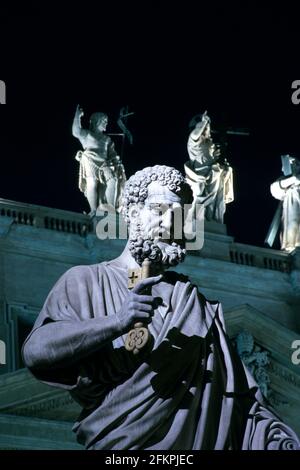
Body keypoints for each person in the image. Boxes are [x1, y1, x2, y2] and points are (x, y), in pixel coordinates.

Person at [22, 165, 299, 450]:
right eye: (158, 210)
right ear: (131, 213)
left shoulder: (193, 303)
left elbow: (240, 399)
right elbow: (36, 351)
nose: (169, 224)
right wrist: (116, 322)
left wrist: (276, 439)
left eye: (177, 215)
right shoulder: (87, 280)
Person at [72, 105, 126, 215]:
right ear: (96, 121)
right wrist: (78, 116)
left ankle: (110, 209)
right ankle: (93, 210)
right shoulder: (87, 134)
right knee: (92, 183)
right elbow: (76, 131)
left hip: (104, 162)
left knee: (113, 180)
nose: (106, 123)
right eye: (104, 121)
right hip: (90, 159)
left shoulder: (107, 139)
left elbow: (112, 154)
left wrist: (117, 161)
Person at [185, 112, 234, 223]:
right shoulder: (193, 140)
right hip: (199, 176)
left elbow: (209, 160)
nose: (209, 131)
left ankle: (210, 219)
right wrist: (204, 121)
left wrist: (216, 161)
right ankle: (197, 219)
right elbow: (196, 132)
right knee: (198, 197)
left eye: (208, 128)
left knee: (213, 200)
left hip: (213, 175)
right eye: (207, 128)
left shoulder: (208, 143)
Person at [270, 156, 300, 252]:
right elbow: (274, 188)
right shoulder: (286, 180)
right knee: (292, 225)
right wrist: (292, 179)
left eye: (294, 164)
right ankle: (292, 249)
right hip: (292, 207)